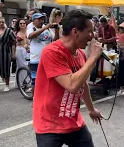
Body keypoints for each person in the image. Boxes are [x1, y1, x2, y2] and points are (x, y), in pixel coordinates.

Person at [33, 9, 103, 147]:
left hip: (73, 120)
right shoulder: (52, 52)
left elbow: (83, 84)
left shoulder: (80, 54)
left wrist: (91, 109)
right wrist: (93, 57)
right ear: (75, 31)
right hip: (49, 124)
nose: (92, 36)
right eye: (89, 31)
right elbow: (72, 85)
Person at [27, 13, 60, 96]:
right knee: (36, 81)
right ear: (34, 20)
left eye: (42, 19)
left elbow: (55, 40)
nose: (41, 21)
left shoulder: (47, 29)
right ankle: (35, 99)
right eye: (39, 19)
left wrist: (57, 31)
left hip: (47, 58)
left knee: (48, 79)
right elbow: (31, 36)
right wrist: (45, 28)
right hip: (36, 59)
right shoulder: (31, 28)